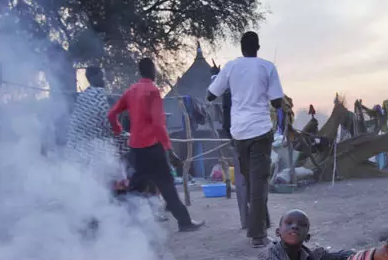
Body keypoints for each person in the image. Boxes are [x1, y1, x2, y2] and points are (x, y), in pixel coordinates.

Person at [207, 31, 285, 247]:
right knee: (259, 182)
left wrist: (222, 80)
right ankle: (258, 235)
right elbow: (278, 102)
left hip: (239, 133)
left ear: (241, 49)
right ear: (258, 47)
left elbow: (211, 94)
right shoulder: (267, 66)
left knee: (251, 181)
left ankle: (262, 223)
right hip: (259, 130)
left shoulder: (231, 66)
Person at [108, 58, 204, 231]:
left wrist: (118, 129)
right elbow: (158, 125)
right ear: (151, 70)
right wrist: (169, 149)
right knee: (166, 185)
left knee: (135, 187)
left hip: (136, 148)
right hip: (153, 147)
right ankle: (184, 222)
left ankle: (119, 221)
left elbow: (112, 114)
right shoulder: (152, 91)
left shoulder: (131, 91)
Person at [67, 66, 121, 173]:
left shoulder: (82, 96)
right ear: (92, 78)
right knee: (126, 141)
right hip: (91, 145)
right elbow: (106, 124)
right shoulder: (98, 94)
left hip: (76, 145)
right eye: (100, 76)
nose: (103, 79)